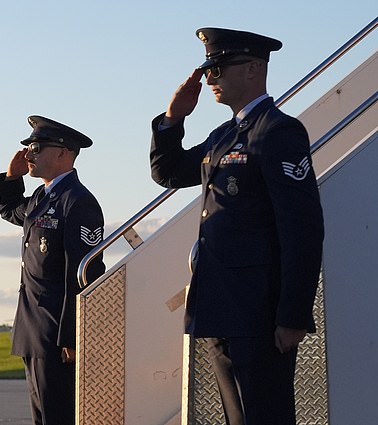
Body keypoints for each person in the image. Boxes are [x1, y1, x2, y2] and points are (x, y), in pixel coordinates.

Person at [149, 28, 324, 424]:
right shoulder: (226, 134)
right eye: (208, 71)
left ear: (252, 68)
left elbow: (302, 228)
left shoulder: (278, 131)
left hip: (260, 312)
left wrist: (293, 314)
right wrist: (173, 118)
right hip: (222, 304)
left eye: (218, 69)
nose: (210, 80)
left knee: (265, 416)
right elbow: (168, 172)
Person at [0, 115, 105, 425]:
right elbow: (12, 211)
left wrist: (73, 334)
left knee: (59, 415)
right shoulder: (43, 197)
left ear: (62, 153)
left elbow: (84, 274)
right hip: (34, 327)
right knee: (42, 415)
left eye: (36, 148)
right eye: (29, 147)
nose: (29, 154)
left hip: (56, 332)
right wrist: (11, 178)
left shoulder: (77, 202)